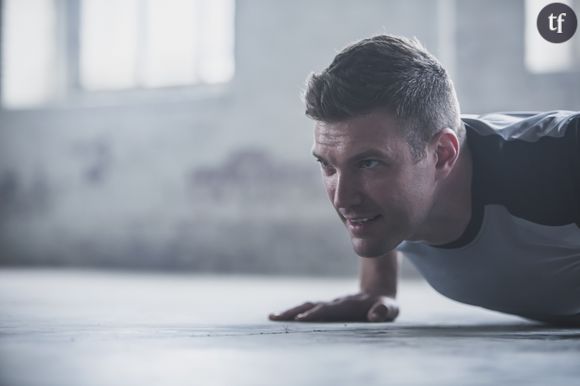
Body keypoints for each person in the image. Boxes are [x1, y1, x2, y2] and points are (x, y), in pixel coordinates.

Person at [268, 34, 580, 325]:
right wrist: (377, 286)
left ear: (442, 155)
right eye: (328, 166)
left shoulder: (560, 157)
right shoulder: (400, 189)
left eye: (369, 163)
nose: (342, 199)